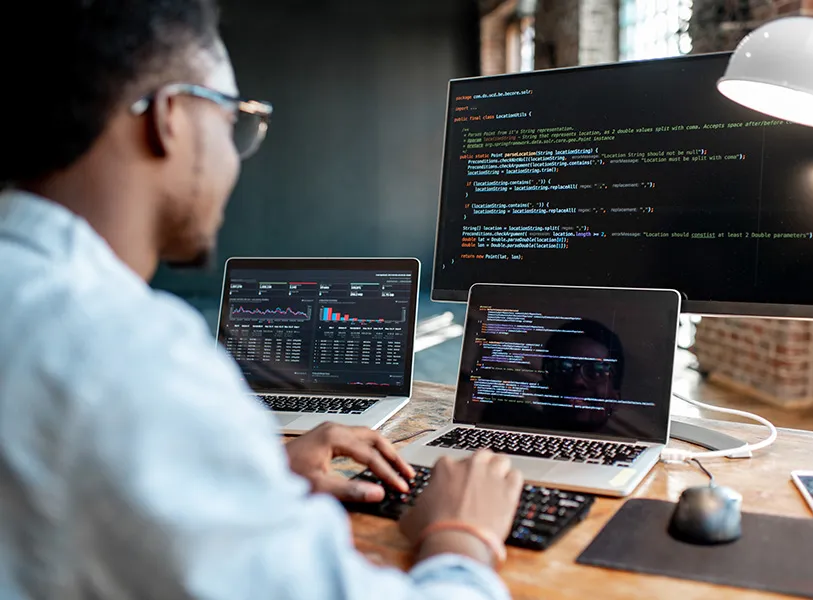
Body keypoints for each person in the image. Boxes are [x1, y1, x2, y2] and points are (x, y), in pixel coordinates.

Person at [0, 2, 523, 598]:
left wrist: (252, 477)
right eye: (234, 122)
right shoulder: (132, 356)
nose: (235, 158)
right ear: (170, 118)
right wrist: (463, 536)